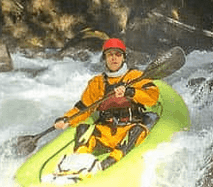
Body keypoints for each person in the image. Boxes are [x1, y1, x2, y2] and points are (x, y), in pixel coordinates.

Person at [53, 38, 160, 170]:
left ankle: (108, 163)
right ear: (104, 58)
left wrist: (131, 92)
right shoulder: (96, 82)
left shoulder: (136, 76)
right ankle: (77, 163)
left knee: (136, 131)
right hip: (105, 131)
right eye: (110, 54)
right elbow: (83, 108)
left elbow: (152, 98)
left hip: (129, 128)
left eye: (118, 54)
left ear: (123, 58)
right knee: (83, 129)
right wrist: (67, 120)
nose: (114, 58)